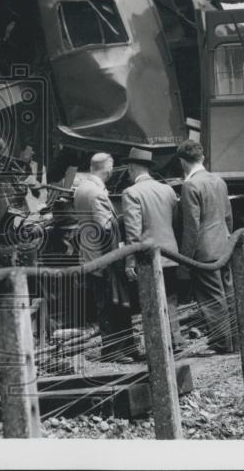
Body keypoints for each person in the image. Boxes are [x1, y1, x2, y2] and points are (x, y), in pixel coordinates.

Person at [120, 147, 186, 350]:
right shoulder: (168, 190)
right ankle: (175, 340)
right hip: (171, 252)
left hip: (148, 257)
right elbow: (176, 223)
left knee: (151, 301)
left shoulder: (131, 193)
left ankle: (158, 345)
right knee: (171, 298)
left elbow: (133, 233)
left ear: (131, 169)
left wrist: (130, 261)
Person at [176, 140, 236, 355]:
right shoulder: (219, 181)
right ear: (202, 159)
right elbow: (228, 217)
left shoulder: (190, 186)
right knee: (228, 294)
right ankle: (236, 340)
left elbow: (191, 227)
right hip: (224, 247)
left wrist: (185, 260)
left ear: (183, 162)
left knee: (211, 299)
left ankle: (221, 343)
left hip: (204, 252)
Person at [73, 152, 134, 360]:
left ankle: (122, 348)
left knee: (105, 303)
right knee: (112, 304)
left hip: (89, 255)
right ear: (108, 170)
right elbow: (105, 227)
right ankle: (114, 350)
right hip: (104, 257)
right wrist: (125, 221)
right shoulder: (97, 193)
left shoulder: (81, 188)